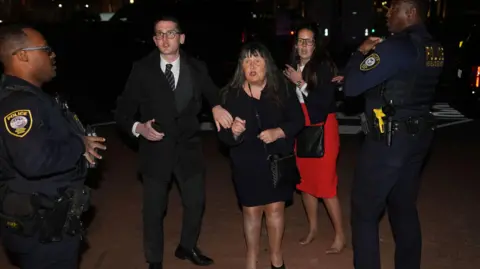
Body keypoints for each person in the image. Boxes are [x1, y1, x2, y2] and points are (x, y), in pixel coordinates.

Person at [114, 16, 232, 269]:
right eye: (160, 34)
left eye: (171, 33)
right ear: (155, 40)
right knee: (154, 210)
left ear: (182, 38)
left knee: (196, 203)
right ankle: (154, 260)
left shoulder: (197, 68)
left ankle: (187, 246)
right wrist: (139, 128)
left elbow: (214, 94)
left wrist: (218, 106)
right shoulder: (142, 69)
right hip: (155, 150)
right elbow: (122, 111)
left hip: (189, 148)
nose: (165, 39)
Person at [339, 1, 444, 268]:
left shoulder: (396, 47)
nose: (387, 14)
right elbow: (406, 84)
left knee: (364, 212)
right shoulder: (433, 48)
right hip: (418, 139)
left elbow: (351, 86)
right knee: (403, 208)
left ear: (411, 13)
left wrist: (360, 53)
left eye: (393, 9)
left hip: (388, 141)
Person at [0, 25, 106, 269]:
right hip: (42, 232)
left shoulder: (33, 98)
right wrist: (78, 144)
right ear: (23, 55)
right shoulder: (20, 104)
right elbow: (34, 162)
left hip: (50, 225)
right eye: (46, 49)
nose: (53, 55)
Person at [218, 42, 304, 269]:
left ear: (267, 64)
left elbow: (298, 120)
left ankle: (276, 257)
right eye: (247, 61)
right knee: (251, 211)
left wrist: (278, 132)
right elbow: (224, 138)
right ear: (241, 67)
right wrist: (234, 132)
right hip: (246, 162)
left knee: (275, 209)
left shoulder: (282, 90)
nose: (252, 65)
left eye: (257, 60)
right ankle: (251, 259)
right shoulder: (230, 96)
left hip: (276, 160)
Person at [283, 23, 345, 253]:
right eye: (301, 40)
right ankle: (313, 229)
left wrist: (300, 82)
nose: (305, 45)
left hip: (323, 127)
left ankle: (340, 236)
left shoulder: (323, 67)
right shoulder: (292, 68)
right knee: (305, 184)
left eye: (309, 41)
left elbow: (323, 102)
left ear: (315, 45)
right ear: (295, 43)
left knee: (326, 186)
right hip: (302, 129)